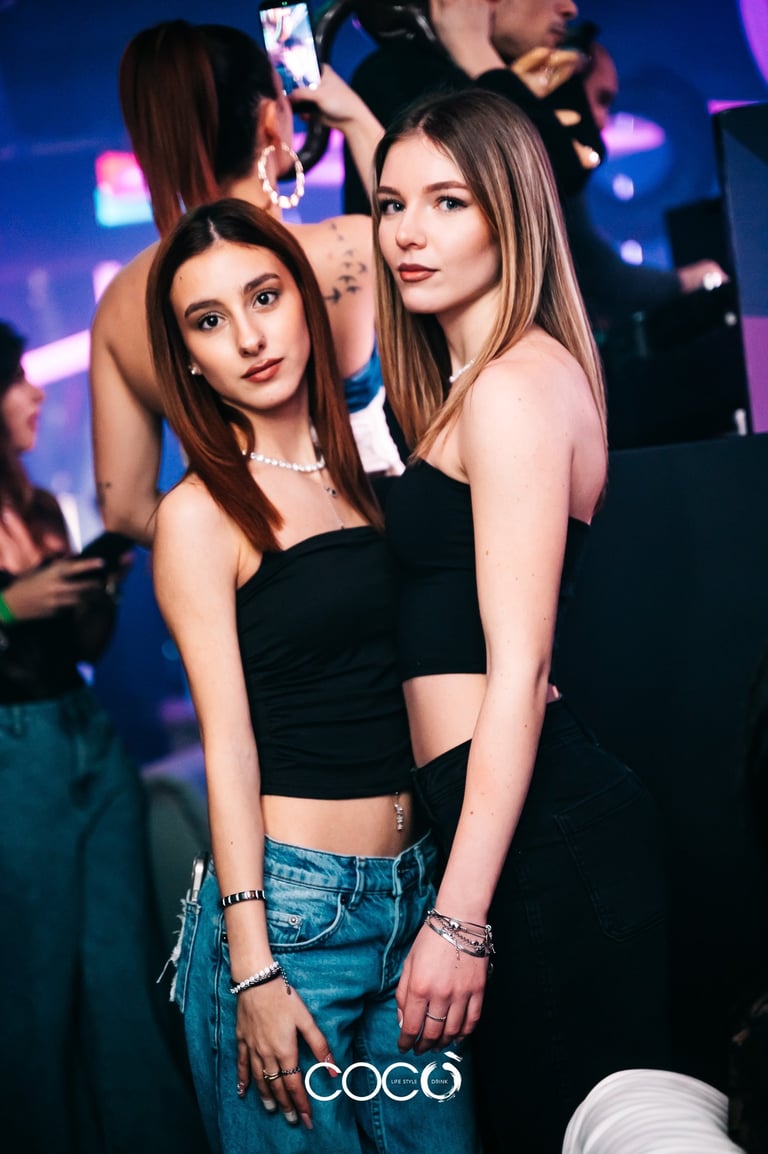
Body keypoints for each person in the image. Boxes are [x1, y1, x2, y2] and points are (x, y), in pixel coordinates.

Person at [368, 91, 670, 1154]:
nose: (408, 232)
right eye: (391, 202)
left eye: (447, 202)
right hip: (509, 819)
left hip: (534, 833)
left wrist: (457, 919)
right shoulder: (492, 381)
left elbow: (521, 667)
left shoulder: (509, 387)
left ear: (510, 214)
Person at [147, 199, 480, 1154]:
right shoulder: (202, 514)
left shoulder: (364, 478)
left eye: (264, 296)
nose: (249, 338)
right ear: (189, 358)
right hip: (294, 924)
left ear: (304, 299)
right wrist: (253, 969)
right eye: (210, 320)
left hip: (416, 901)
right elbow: (227, 746)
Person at [0, 322, 209, 1154]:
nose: (35, 392)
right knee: (34, 990)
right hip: (13, 755)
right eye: (16, 378)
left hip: (86, 731)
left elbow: (84, 647)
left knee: (125, 974)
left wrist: (99, 593)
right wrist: (11, 604)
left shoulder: (43, 507)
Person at [90, 20, 401, 549]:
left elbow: (123, 507)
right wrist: (355, 119)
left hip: (256, 588)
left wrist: (244, 553)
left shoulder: (122, 301)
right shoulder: (351, 245)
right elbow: (422, 233)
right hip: (391, 550)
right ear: (271, 120)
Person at [343, 0, 604, 213]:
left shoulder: (557, 75)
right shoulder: (393, 74)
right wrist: (475, 50)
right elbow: (538, 179)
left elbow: (564, 174)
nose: (570, 9)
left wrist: (477, 53)